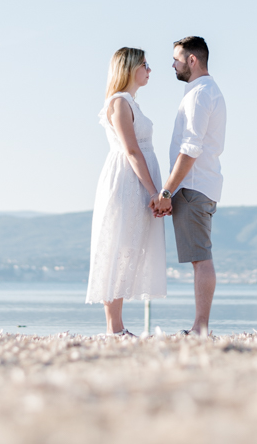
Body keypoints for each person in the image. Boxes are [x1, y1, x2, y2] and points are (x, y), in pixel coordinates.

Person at [85, 47, 167, 335]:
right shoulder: (119, 103)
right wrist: (156, 192)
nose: (149, 70)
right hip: (127, 181)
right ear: (130, 68)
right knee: (118, 248)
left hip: (137, 181)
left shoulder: (132, 103)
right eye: (145, 64)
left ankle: (117, 327)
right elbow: (131, 151)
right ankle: (114, 327)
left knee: (129, 249)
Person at [151, 36, 226, 336]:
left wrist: (167, 191)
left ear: (192, 60)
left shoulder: (199, 94)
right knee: (200, 256)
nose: (172, 64)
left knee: (201, 257)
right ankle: (200, 326)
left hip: (193, 186)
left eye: (176, 59)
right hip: (201, 184)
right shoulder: (205, 92)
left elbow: (190, 147)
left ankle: (200, 328)